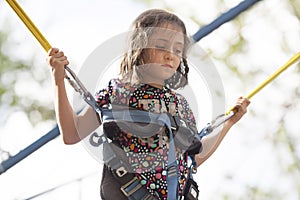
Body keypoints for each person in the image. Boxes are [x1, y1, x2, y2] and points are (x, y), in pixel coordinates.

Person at [47, 9, 250, 200]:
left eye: (178, 50)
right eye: (161, 46)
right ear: (139, 48)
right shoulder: (117, 92)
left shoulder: (179, 105)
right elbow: (72, 134)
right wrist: (58, 80)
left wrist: (228, 123)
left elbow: (193, 158)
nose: (170, 54)